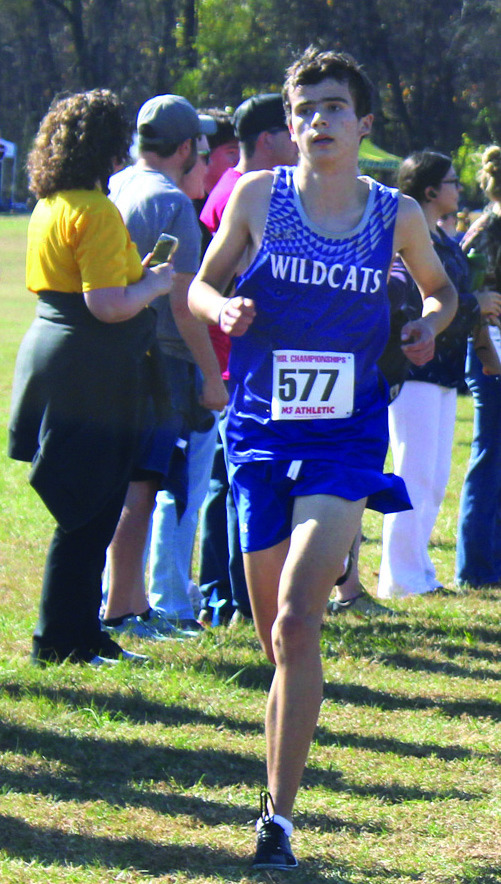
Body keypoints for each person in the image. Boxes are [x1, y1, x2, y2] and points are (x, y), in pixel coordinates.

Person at [188, 46, 457, 869]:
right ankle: (282, 757)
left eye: (334, 107)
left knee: (299, 617)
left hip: (345, 435)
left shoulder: (394, 214)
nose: (317, 121)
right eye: (304, 110)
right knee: (274, 639)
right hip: (261, 433)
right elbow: (197, 285)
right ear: (289, 121)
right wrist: (221, 308)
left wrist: (428, 323)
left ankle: (277, 819)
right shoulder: (257, 196)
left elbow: (440, 289)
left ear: (362, 122)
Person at [7, 90, 174, 666]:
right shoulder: (96, 210)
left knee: (89, 508)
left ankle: (82, 634)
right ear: (107, 146)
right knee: (88, 511)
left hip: (56, 354)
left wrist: (135, 279)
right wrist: (153, 285)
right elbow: (106, 305)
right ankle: (60, 640)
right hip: (91, 366)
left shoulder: (49, 204)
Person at [101, 94, 228, 640]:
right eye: (199, 144)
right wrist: (212, 376)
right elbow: (183, 305)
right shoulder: (174, 203)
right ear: (183, 148)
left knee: (124, 488)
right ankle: (123, 611)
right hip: (163, 364)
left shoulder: (120, 185)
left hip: (115, 354)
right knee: (144, 490)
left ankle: (127, 602)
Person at [377, 150, 501, 600]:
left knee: (433, 478)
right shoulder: (407, 243)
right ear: (430, 190)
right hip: (415, 370)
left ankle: (420, 573)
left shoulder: (443, 243)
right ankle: (399, 578)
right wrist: (474, 303)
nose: (458, 188)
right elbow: (415, 303)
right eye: (451, 181)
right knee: (413, 474)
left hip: (445, 372)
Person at [197, 93, 298, 627]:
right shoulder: (245, 192)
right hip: (237, 366)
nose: (298, 140)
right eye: (289, 130)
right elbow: (215, 284)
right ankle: (237, 599)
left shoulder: (237, 187)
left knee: (227, 485)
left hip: (238, 364)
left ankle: (225, 595)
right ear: (267, 138)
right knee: (240, 488)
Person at [456, 145, 501, 587]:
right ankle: (476, 567)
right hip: (490, 349)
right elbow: (466, 296)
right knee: (489, 455)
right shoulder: (485, 230)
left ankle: (493, 561)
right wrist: (486, 352)